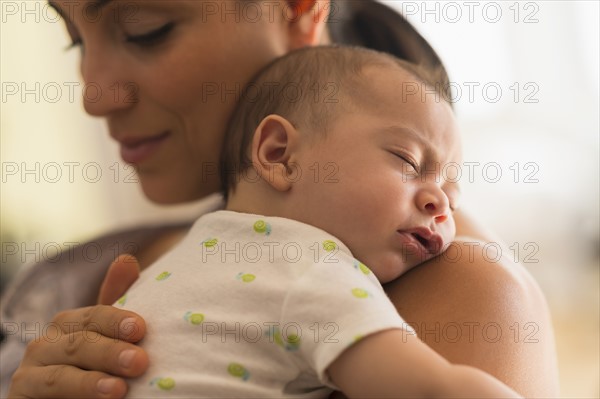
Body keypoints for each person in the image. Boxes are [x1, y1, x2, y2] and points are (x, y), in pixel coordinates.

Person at [2, 1, 559, 398]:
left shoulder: (455, 284)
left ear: (297, 8)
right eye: (76, 40)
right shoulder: (82, 274)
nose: (93, 95)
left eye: (146, 29)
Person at [115, 45, 520, 398]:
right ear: (280, 155)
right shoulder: (313, 271)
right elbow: (432, 391)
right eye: (409, 162)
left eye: (452, 194)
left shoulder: (178, 261)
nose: (441, 205)